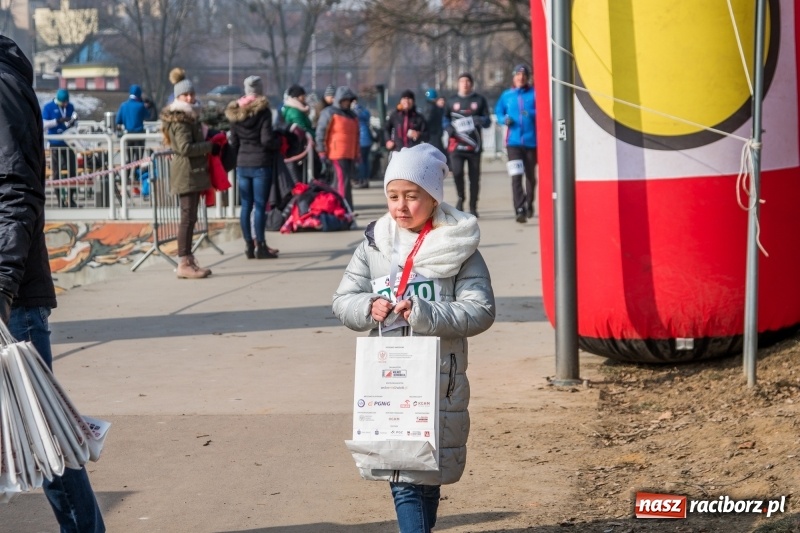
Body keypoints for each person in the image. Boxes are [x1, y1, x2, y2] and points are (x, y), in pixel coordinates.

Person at [332, 143, 495, 533]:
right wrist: (368, 305)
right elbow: (343, 298)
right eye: (393, 196)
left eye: (412, 196)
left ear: (433, 197)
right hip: (388, 382)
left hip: (439, 382)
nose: (401, 206)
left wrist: (424, 314)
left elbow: (481, 310)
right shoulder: (375, 244)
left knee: (425, 477)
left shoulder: (460, 248)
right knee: (402, 479)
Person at [0, 35, 106, 533]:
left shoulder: (1, 86)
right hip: (13, 290)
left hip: (12, 297)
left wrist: (2, 283)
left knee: (43, 439)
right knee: (37, 438)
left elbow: (17, 190)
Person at [160, 69, 218, 279]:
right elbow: (184, 148)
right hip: (186, 172)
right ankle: (184, 262)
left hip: (190, 172)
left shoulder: (188, 116)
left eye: (192, 94)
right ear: (178, 97)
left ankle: (188, 259)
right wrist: (208, 146)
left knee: (191, 217)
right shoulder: (180, 118)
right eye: (186, 95)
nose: (190, 98)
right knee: (187, 218)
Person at [226, 75, 280, 259]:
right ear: (260, 89)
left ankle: (249, 245)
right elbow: (267, 139)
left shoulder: (235, 112)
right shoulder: (263, 111)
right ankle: (261, 246)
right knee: (259, 205)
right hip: (260, 163)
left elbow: (233, 142)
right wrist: (278, 142)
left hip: (242, 163)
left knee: (246, 205)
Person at [495, 64, 537, 223]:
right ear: (514, 78)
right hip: (513, 143)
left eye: (524, 76)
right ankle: (519, 208)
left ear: (527, 78)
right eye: (518, 76)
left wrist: (531, 113)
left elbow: (543, 110)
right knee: (516, 176)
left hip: (531, 142)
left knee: (531, 177)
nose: (521, 78)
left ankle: (529, 203)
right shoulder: (507, 95)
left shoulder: (534, 94)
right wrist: (503, 119)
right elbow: (498, 111)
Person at [445, 73, 491, 217]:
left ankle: (473, 205)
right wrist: (448, 128)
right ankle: (460, 198)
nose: (465, 84)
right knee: (457, 173)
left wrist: (480, 120)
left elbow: (488, 120)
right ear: (458, 84)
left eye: (467, 81)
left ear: (471, 84)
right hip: (456, 146)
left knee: (474, 177)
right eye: (462, 81)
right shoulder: (452, 101)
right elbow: (444, 119)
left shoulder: (479, 100)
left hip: (474, 147)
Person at [315, 86, 360, 210]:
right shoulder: (329, 112)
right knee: (342, 181)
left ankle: (341, 207)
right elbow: (321, 132)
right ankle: (344, 208)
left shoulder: (353, 116)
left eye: (348, 100)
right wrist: (321, 151)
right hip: (336, 153)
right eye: (344, 100)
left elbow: (356, 136)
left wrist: (357, 154)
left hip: (349, 154)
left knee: (344, 182)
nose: (346, 102)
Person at [41, 87, 78, 207]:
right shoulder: (48, 107)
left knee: (72, 171)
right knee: (56, 172)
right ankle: (59, 200)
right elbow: (43, 124)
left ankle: (71, 198)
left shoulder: (70, 107)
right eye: (63, 103)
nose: (65, 104)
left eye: (66, 102)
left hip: (69, 143)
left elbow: (75, 124)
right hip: (55, 144)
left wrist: (73, 123)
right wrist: (57, 121)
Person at [116, 84, 148, 161]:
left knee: (129, 159)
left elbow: (118, 120)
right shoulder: (141, 106)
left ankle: (128, 172)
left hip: (128, 135)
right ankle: (137, 172)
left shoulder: (124, 105)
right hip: (139, 135)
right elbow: (148, 116)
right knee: (139, 159)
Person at [353, 97, 373, 189]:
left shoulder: (353, 112)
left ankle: (361, 180)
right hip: (367, 140)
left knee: (360, 162)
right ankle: (366, 179)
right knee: (365, 161)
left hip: (360, 140)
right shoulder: (364, 111)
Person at [423, 88, 446, 157]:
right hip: (435, 134)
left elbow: (427, 120)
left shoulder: (429, 107)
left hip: (432, 134)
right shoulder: (435, 108)